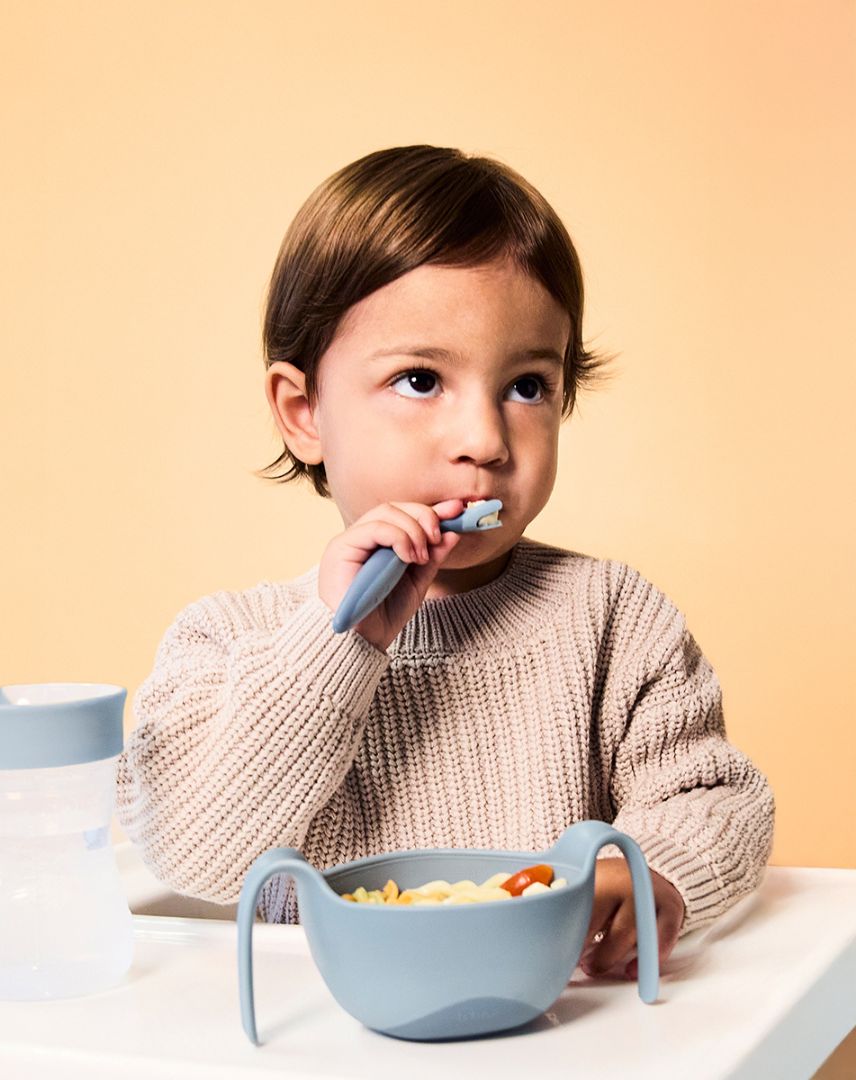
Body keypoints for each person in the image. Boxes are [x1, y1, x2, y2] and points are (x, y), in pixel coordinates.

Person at [117, 145, 774, 980]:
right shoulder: (229, 640)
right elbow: (192, 850)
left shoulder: (615, 617)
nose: (486, 441)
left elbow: (714, 796)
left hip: (565, 1031)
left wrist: (652, 873)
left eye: (528, 386)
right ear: (303, 412)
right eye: (421, 379)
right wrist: (336, 640)